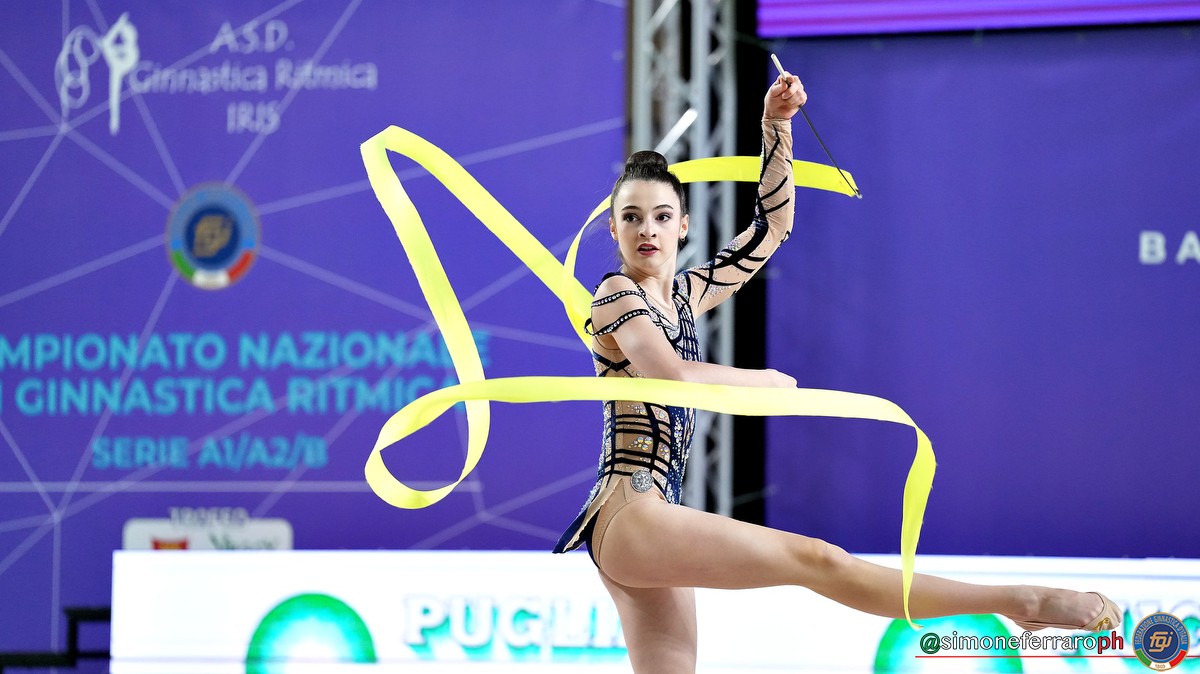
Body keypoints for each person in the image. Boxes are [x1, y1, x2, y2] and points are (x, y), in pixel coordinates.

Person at [553, 71, 1120, 673]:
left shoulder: (689, 295)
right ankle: (1020, 602)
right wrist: (764, 383)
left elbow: (771, 229)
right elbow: (669, 375)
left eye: (662, 216)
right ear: (613, 229)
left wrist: (777, 127)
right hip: (630, 512)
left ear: (683, 225)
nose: (647, 230)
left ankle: (1019, 602)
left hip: (651, 514)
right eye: (632, 217)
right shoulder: (615, 293)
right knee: (820, 560)